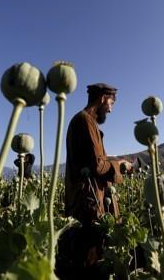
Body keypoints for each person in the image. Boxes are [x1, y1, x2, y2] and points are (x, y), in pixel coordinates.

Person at [56, 83, 132, 280]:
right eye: (111, 102)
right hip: (88, 206)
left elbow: (95, 163)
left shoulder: (86, 122)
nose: (111, 108)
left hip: (89, 202)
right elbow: (98, 166)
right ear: (102, 98)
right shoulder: (85, 121)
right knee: (89, 264)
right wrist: (120, 165)